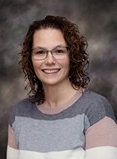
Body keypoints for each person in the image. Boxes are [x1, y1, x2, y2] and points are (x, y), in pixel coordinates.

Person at [7, 15, 117, 159]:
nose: (50, 60)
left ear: (72, 56)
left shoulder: (94, 109)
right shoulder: (19, 114)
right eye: (40, 52)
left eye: (59, 51)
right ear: (30, 58)